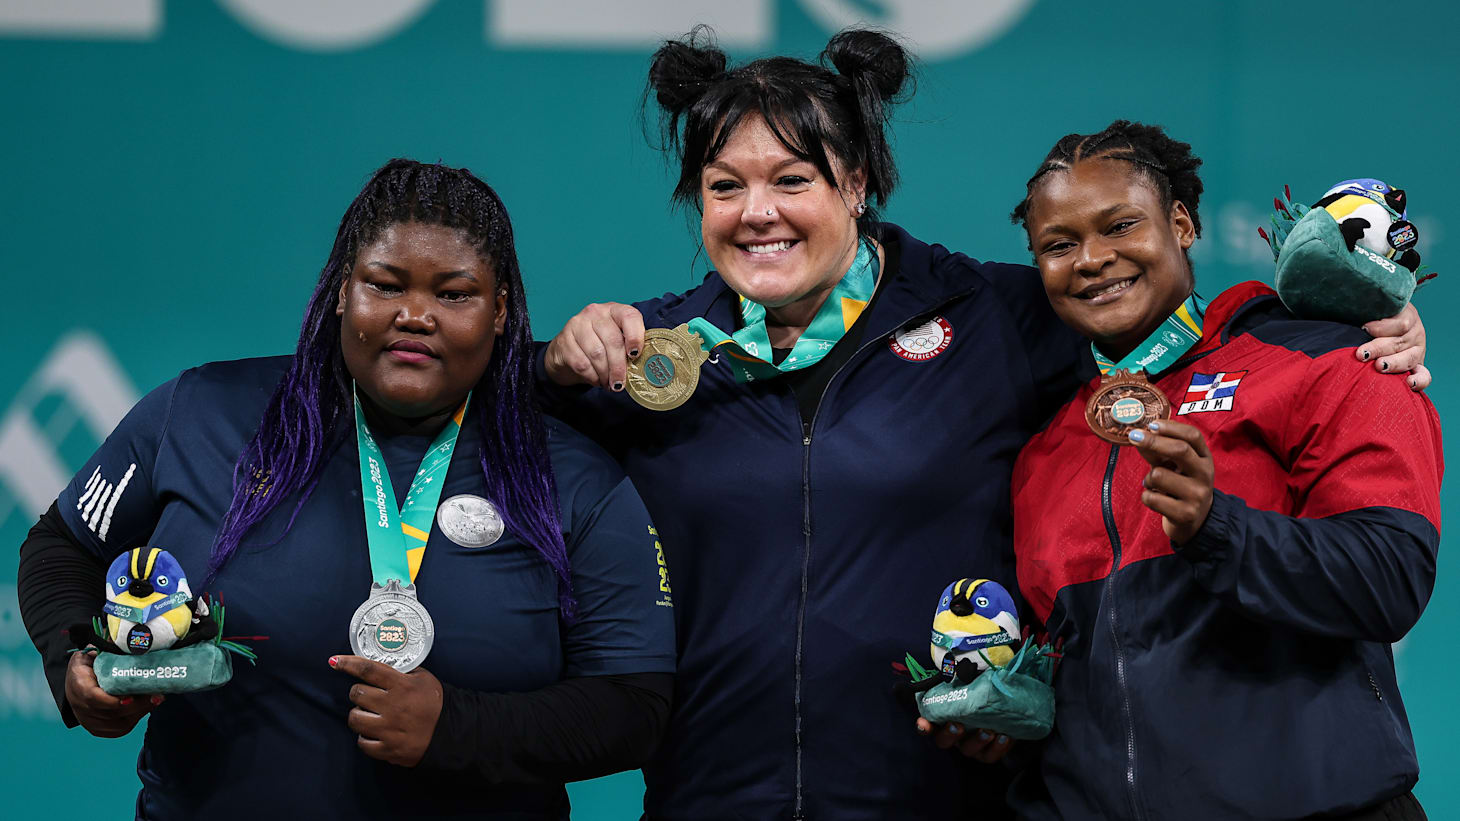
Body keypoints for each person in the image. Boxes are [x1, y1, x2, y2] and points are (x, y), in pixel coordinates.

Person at [534, 31, 1428, 821]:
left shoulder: (989, 314)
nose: (756, 211)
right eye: (724, 186)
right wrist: (546, 365)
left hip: (937, 795)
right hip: (710, 795)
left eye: (792, 178)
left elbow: (1157, 323)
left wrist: (1341, 326)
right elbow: (468, 398)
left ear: (856, 182)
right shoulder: (648, 355)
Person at [18, 159, 676, 820]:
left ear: (500, 311)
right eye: (385, 285)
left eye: (454, 294)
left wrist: (462, 726)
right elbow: (61, 546)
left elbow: (634, 704)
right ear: (341, 291)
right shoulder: (199, 415)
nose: (414, 315)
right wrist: (78, 660)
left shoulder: (571, 476)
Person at [1003, 121, 1440, 819]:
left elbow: (1389, 578)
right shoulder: (1043, 450)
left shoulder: (1327, 357)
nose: (1092, 259)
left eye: (1120, 225)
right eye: (1058, 245)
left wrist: (1217, 529)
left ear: (1181, 223)